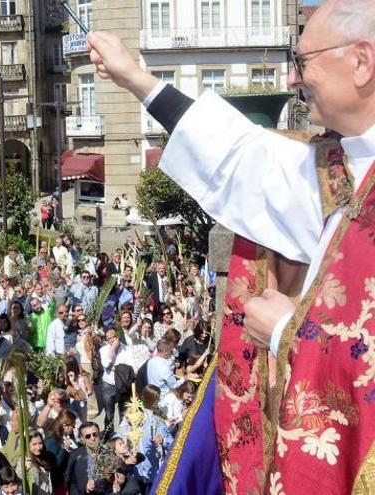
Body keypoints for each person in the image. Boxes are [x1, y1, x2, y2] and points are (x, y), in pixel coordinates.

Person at [86, 2, 375, 489]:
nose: (292, 76)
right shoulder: (341, 166)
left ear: (362, 61)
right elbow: (240, 159)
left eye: (303, 61)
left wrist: (287, 333)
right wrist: (135, 78)